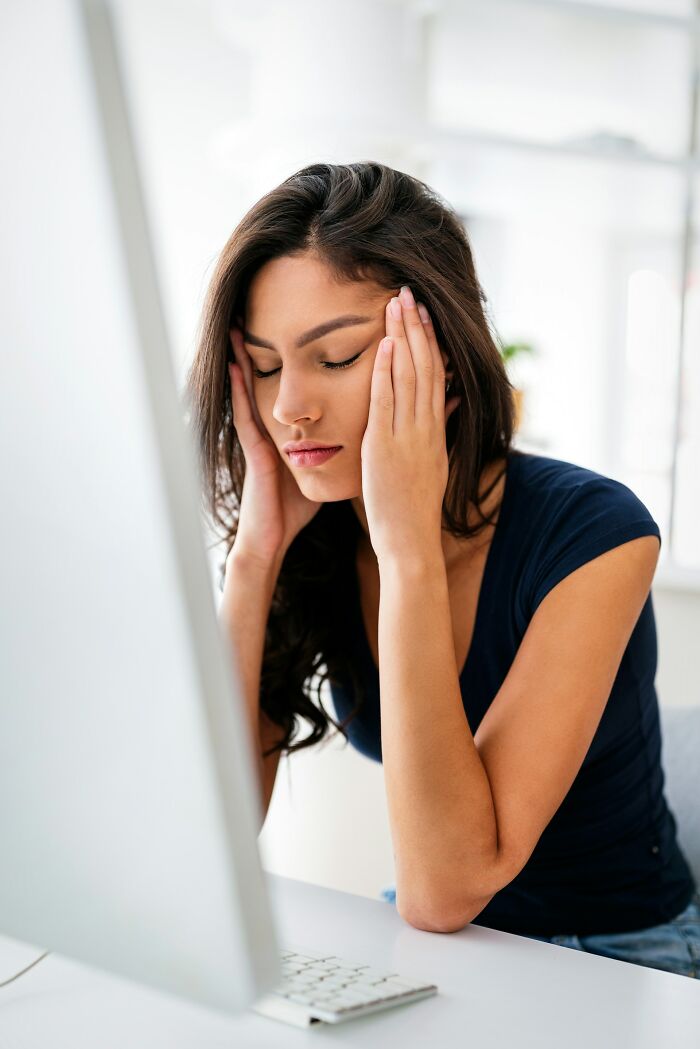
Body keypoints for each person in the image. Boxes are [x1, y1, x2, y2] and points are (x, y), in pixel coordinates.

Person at [185, 161, 698, 980]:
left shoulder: (598, 534)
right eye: (268, 365)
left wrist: (407, 548)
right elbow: (198, 844)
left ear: (445, 360)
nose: (289, 409)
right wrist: (252, 558)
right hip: (445, 953)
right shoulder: (311, 536)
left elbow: (443, 886)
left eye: (338, 356)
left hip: (624, 960)